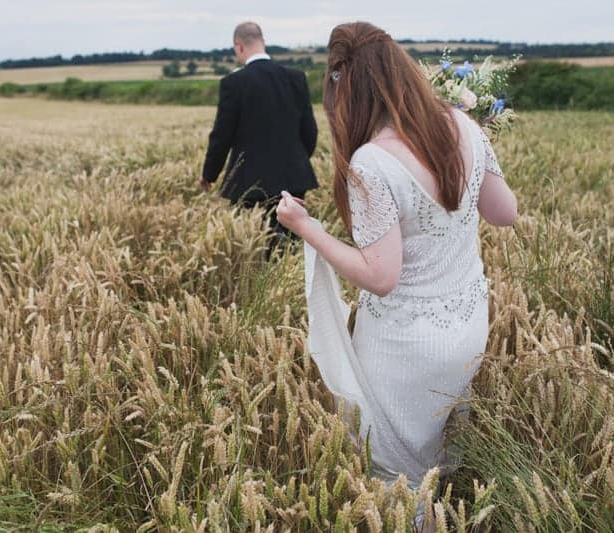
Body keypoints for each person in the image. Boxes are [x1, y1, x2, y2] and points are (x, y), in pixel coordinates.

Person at [275, 22, 518, 531]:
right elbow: (505, 213)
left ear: (345, 89)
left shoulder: (372, 161)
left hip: (406, 346)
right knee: (435, 452)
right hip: (469, 325)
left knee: (396, 476)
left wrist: (306, 228)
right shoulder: (462, 124)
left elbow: (380, 277)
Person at [200, 21, 318, 257]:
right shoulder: (296, 77)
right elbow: (310, 130)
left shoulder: (234, 83)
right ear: (263, 41)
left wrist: (209, 174)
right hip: (293, 177)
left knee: (254, 247)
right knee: (290, 248)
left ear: (238, 46)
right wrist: (297, 162)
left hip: (249, 183)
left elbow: (222, 136)